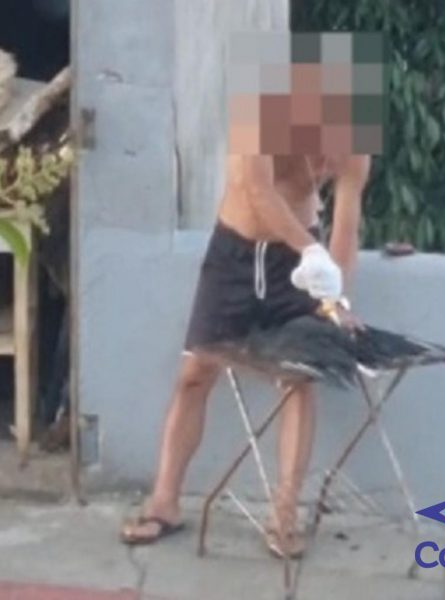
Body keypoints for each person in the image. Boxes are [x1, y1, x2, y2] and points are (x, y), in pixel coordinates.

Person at [121, 60, 372, 557]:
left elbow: (346, 225)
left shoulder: (354, 144)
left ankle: (284, 514)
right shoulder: (260, 108)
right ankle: (164, 503)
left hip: (294, 266)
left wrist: (336, 299)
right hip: (235, 253)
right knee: (195, 373)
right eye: (319, 145)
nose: (326, 161)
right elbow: (257, 191)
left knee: (297, 377)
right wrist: (311, 250)